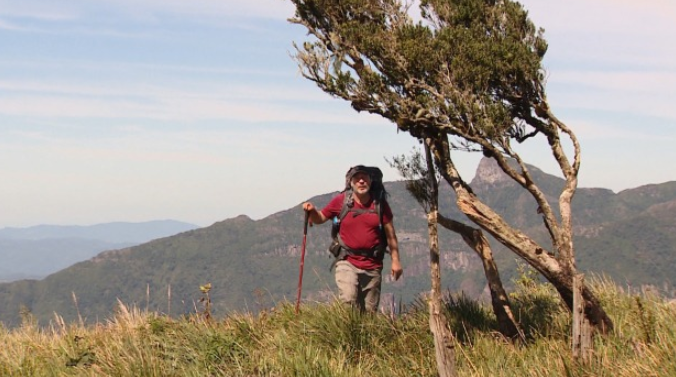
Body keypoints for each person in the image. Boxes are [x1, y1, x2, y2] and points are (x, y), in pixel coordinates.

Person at [302, 165, 403, 313]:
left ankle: (361, 336)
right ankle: (346, 333)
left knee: (369, 311)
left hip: (373, 265)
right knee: (348, 300)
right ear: (351, 182)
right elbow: (320, 218)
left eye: (365, 178)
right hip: (347, 260)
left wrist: (395, 261)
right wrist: (312, 211)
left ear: (370, 181)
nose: (361, 181)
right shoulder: (341, 202)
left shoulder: (380, 205)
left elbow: (391, 235)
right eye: (357, 178)